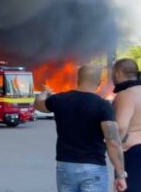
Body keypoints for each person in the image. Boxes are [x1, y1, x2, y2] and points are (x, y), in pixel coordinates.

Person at [35, 64, 127, 192]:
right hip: (93, 167)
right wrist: (120, 174)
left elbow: (38, 105)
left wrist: (45, 92)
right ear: (99, 83)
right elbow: (113, 142)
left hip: (65, 166)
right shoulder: (103, 105)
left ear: (77, 80)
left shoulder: (60, 100)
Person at [112, 58, 141, 191]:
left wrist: (116, 147)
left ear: (118, 73)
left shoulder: (126, 94)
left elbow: (121, 127)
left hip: (133, 153)